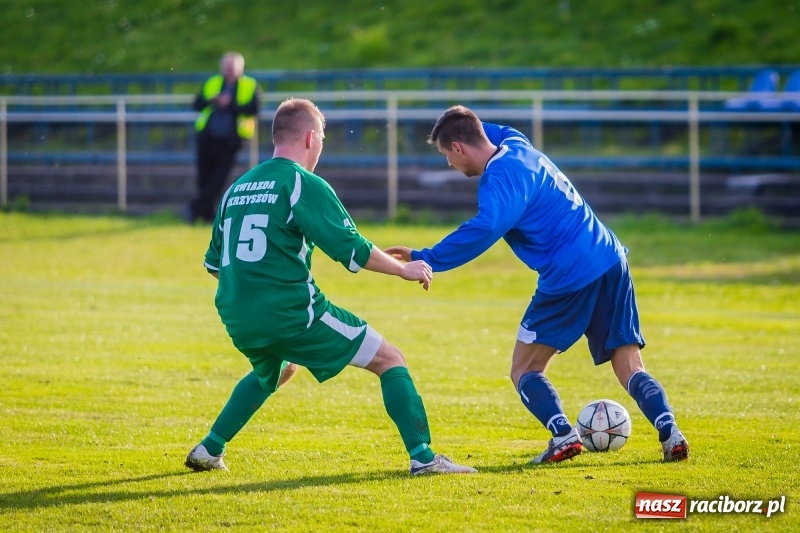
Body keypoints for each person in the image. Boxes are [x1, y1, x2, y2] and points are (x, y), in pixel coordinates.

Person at [185, 98, 476, 476]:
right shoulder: (301, 183)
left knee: (276, 369)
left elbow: (214, 264)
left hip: (237, 313)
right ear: (309, 138)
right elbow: (353, 251)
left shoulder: (236, 189)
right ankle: (423, 457)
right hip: (290, 313)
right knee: (390, 359)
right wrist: (404, 270)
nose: (321, 145)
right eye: (321, 137)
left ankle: (209, 448)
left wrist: (253, 290)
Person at [386, 105, 689, 464]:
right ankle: (670, 431)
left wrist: (428, 257)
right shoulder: (516, 142)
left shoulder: (500, 181)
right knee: (629, 366)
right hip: (610, 257)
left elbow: (484, 229)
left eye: (446, 155)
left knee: (524, 369)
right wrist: (462, 120)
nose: (449, 165)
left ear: (459, 147)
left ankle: (563, 435)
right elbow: (483, 129)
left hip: (569, 273)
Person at [187, 52, 261, 223]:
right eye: (226, 67)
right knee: (204, 177)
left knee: (219, 180)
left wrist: (231, 105)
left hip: (230, 141)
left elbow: (254, 108)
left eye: (232, 68)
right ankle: (206, 214)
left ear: (240, 69)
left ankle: (193, 209)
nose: (228, 71)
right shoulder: (213, 82)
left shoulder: (250, 85)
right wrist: (213, 101)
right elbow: (196, 104)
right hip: (207, 138)